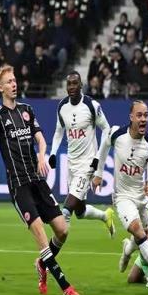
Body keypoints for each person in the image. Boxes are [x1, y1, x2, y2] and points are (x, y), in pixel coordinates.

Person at [0, 64, 79, 295]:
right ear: (0, 87)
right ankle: (65, 287)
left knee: (62, 230)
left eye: (15, 80)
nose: (14, 84)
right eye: (9, 82)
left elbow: (41, 140)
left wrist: (42, 155)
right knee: (41, 236)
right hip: (19, 186)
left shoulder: (27, 110)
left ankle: (42, 264)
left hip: (37, 180)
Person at [92, 100, 148, 287]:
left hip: (141, 198)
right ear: (131, 117)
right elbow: (103, 148)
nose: (143, 119)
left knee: (139, 238)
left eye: (146, 115)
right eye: (139, 115)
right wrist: (98, 174)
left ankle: (127, 251)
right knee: (139, 231)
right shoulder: (117, 134)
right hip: (122, 197)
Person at [48, 71, 115, 237]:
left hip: (88, 163)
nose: (71, 87)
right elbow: (58, 131)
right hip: (72, 163)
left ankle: (51, 251)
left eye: (74, 83)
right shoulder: (62, 106)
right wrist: (53, 153)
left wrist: (98, 158)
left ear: (81, 85)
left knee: (66, 210)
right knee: (80, 211)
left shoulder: (92, 105)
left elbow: (106, 129)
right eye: (69, 84)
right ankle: (105, 216)